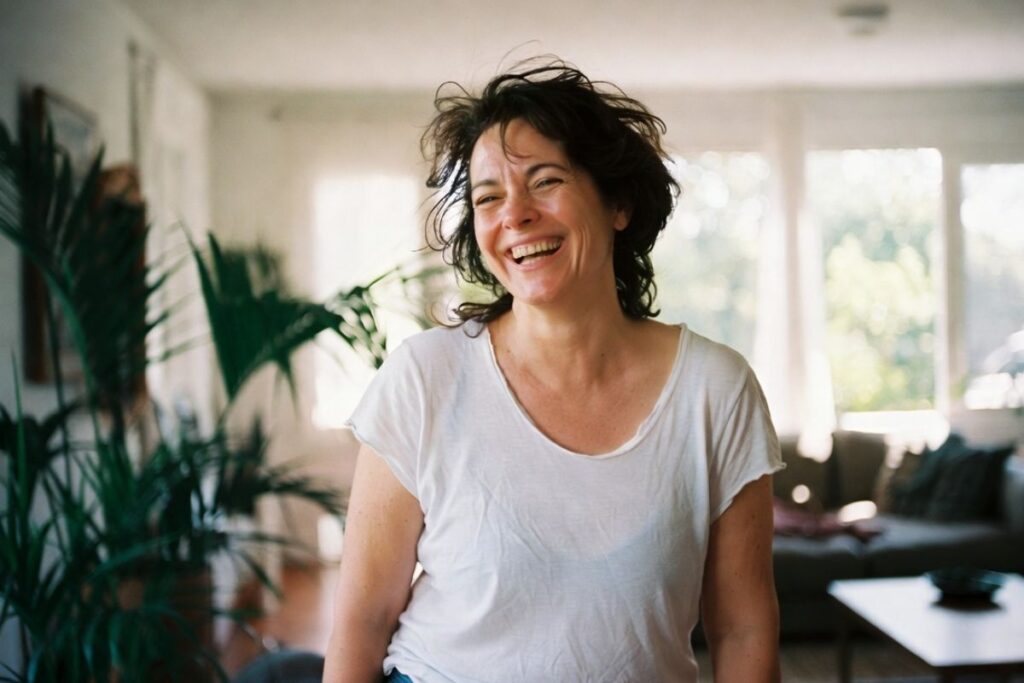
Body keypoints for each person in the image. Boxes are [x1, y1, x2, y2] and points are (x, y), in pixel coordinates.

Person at [324, 60, 783, 683]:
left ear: (617, 202)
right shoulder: (423, 379)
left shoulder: (716, 390)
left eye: (544, 182)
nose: (514, 214)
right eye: (488, 197)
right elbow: (364, 617)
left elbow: (742, 629)